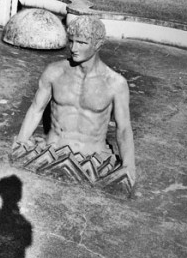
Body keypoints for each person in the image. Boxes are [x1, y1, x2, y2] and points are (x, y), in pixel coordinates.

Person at [13, 15, 136, 189]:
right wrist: (21, 141)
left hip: (91, 161)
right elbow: (36, 109)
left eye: (81, 43)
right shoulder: (54, 71)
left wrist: (129, 165)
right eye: (71, 41)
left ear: (97, 45)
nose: (73, 48)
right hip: (53, 152)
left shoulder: (115, 84)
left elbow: (123, 129)